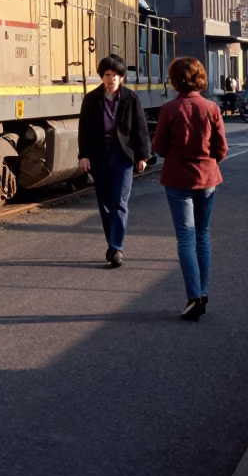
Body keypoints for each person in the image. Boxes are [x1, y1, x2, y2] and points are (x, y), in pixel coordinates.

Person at [152, 56, 228, 321]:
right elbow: (222, 148)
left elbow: (159, 147)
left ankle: (194, 297)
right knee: (203, 235)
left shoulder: (169, 109)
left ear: (175, 79)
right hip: (207, 178)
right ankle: (203, 292)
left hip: (177, 178)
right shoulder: (211, 108)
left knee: (185, 237)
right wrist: (208, 161)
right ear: (199, 77)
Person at [78, 54, 151, 267]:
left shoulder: (131, 98)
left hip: (123, 155)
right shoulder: (91, 99)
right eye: (108, 75)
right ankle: (112, 243)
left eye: (116, 75)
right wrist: (84, 155)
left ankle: (117, 248)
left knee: (120, 202)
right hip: (100, 155)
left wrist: (142, 155)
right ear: (102, 76)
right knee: (105, 203)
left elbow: (141, 128)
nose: (112, 79)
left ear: (121, 77)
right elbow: (85, 129)